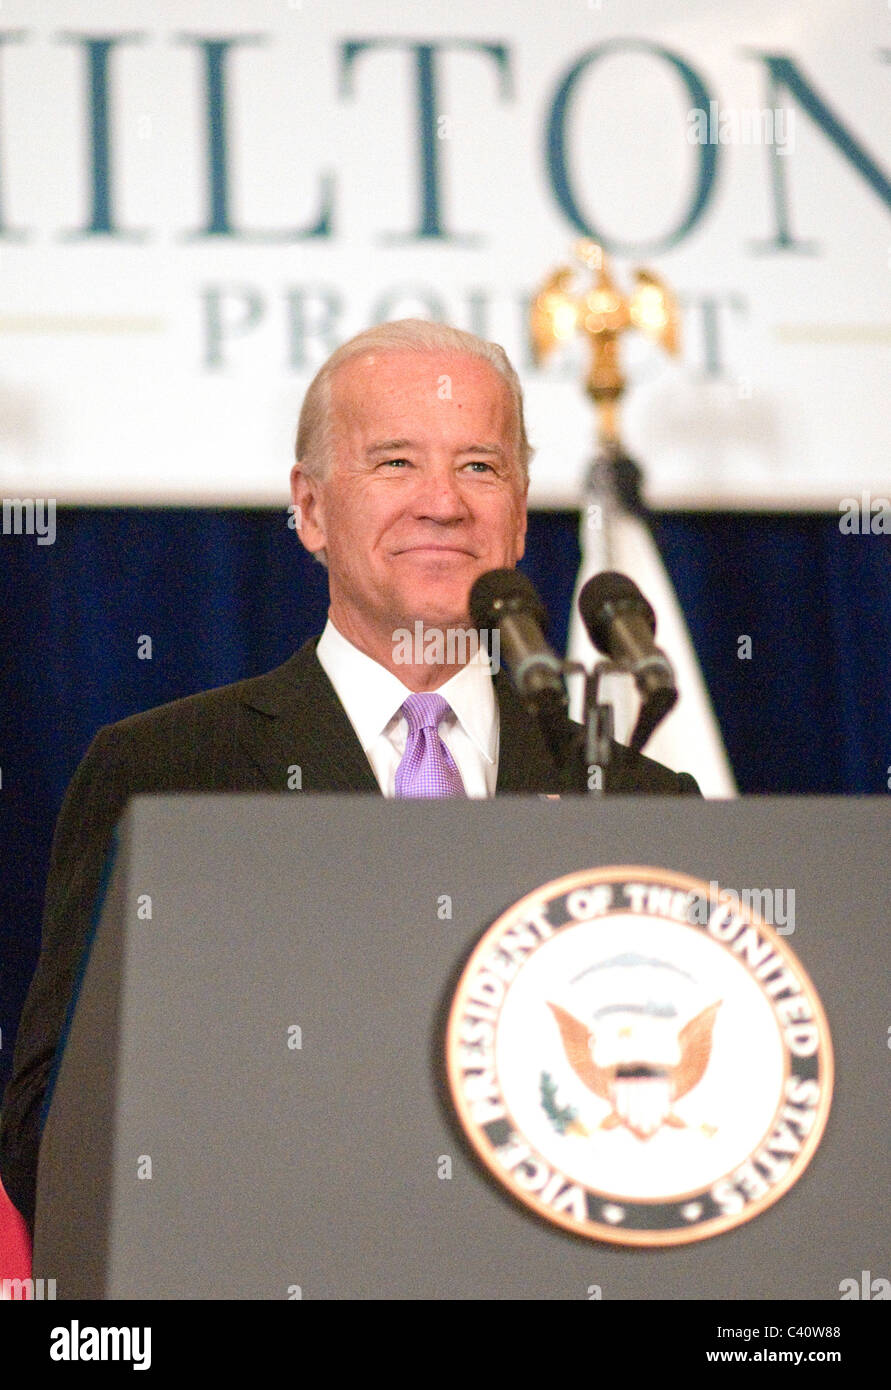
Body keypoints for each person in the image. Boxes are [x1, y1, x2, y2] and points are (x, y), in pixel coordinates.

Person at [0, 319, 698, 1231]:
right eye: (396, 463)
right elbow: (51, 1130)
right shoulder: (164, 773)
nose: (443, 503)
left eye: (480, 467)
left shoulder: (640, 799)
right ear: (312, 508)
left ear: (521, 517)